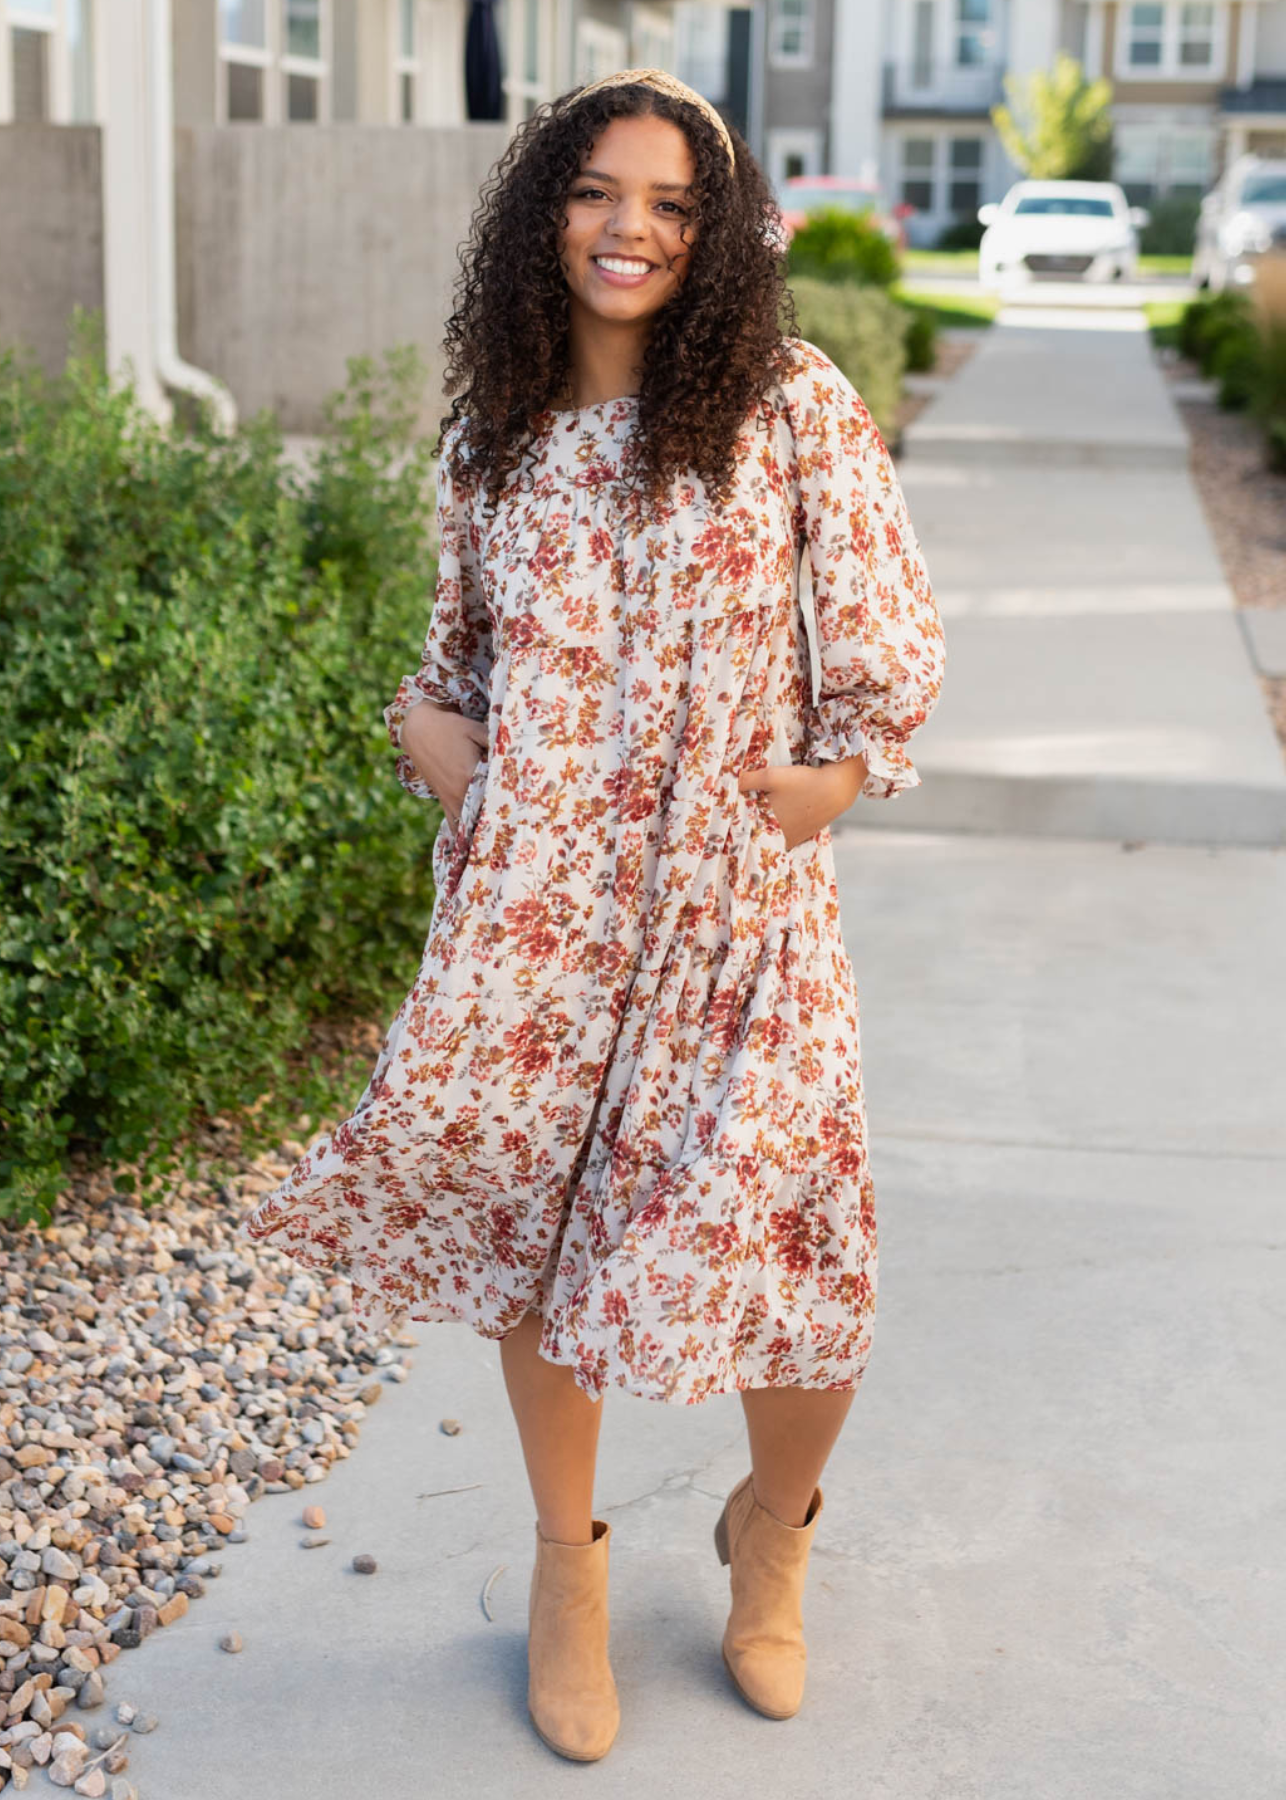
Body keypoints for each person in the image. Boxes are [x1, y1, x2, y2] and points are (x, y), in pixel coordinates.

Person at [238, 68, 944, 1762]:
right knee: (549, 1261)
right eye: (596, 191)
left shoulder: (785, 401)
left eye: (670, 204)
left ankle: (769, 1535)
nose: (629, 228)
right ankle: (567, 1571)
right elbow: (450, 662)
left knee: (801, 1262)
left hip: (738, 919)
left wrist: (832, 785)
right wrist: (431, 740)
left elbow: (882, 632)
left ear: (712, 239)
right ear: (542, 209)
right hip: (537, 930)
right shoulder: (495, 425)